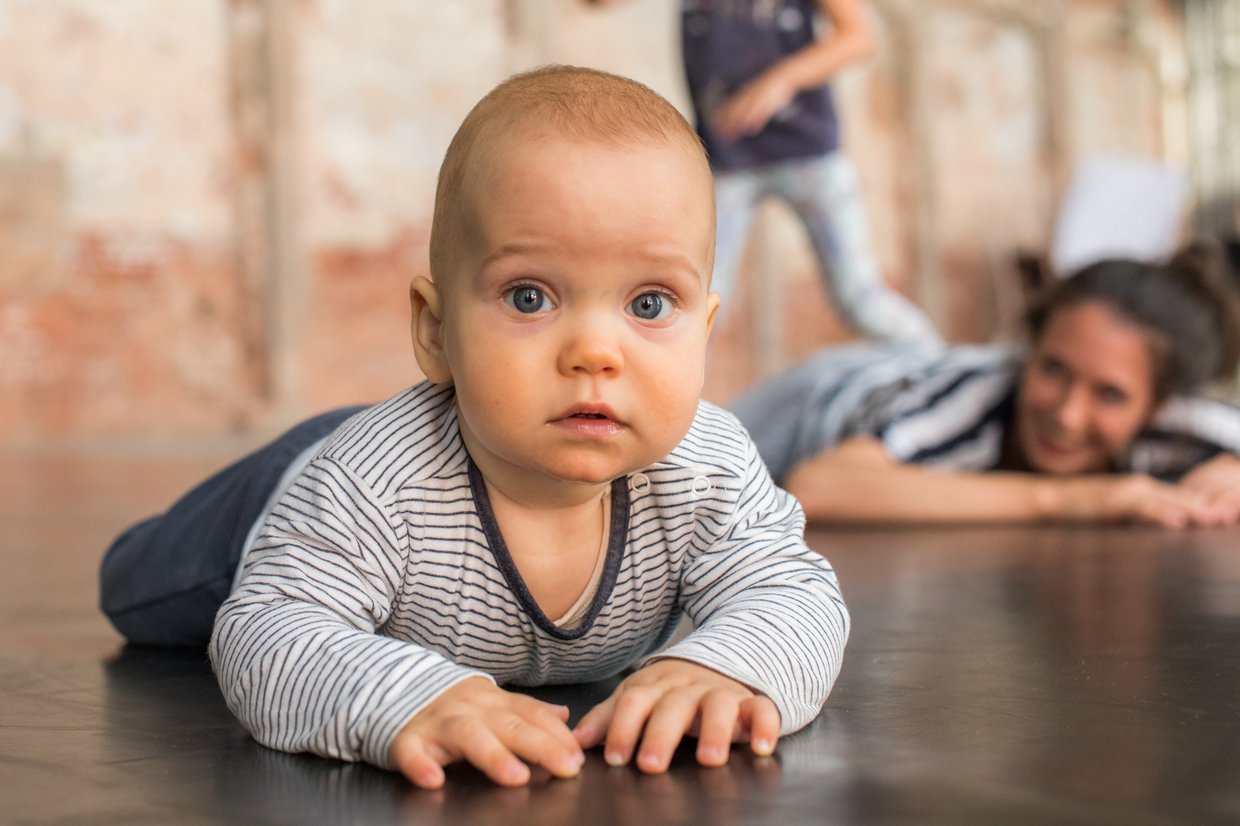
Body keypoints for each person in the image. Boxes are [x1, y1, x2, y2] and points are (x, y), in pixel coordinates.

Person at [99, 66, 849, 791]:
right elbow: (268, 632)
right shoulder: (371, 484)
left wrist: (730, 665)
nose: (595, 352)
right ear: (435, 329)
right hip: (299, 484)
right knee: (134, 587)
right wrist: (406, 694)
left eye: (649, 305)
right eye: (529, 297)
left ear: (705, 332)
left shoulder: (707, 466)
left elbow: (795, 593)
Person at [731, 245, 1240, 526]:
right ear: (1030, 349)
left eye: (1109, 395)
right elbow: (817, 488)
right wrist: (1068, 499)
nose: (1067, 414)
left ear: (1158, 407)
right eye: (1053, 370)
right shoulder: (973, 400)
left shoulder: (1181, 428)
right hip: (812, 406)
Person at [589, 0, 939, 343]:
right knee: (696, 299)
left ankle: (943, 368)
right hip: (727, 160)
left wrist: (781, 80)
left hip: (809, 155)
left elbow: (859, 37)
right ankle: (661, 396)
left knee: (859, 297)